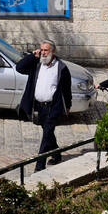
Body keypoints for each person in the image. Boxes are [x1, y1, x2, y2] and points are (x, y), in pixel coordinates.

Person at [15, 40, 73, 172]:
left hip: (53, 107)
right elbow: (19, 68)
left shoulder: (61, 67)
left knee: (47, 133)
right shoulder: (36, 64)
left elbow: (66, 89)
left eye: (46, 50)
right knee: (48, 133)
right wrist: (31, 55)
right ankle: (57, 155)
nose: (43, 52)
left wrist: (68, 105)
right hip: (39, 106)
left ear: (53, 52)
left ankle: (39, 165)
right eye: (41, 50)